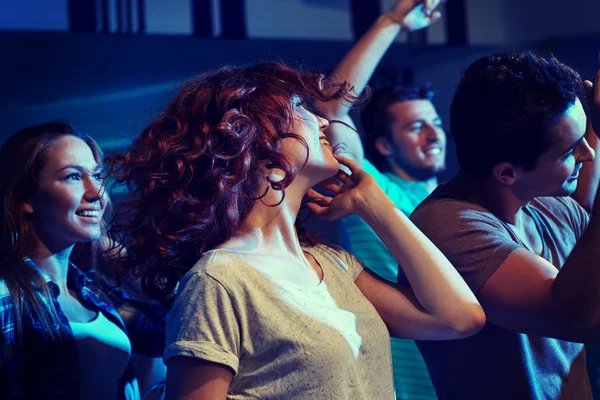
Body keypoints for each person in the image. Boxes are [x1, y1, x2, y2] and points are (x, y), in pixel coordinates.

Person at [106, 61, 485, 399]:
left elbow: (460, 318)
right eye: (300, 108)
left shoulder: (335, 266)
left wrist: (376, 205)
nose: (322, 121)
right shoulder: (219, 280)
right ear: (255, 143)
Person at [409, 52, 600, 399]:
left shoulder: (554, 207)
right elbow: (576, 317)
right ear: (507, 173)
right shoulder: (446, 228)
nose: (588, 154)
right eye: (569, 150)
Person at [319, 1, 445, 398]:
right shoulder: (370, 188)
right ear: (384, 146)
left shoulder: (461, 203)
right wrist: (392, 21)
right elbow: (332, 103)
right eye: (415, 126)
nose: (432, 135)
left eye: (435, 123)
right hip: (401, 382)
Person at [0, 122, 140, 399]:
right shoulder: (5, 297)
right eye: (73, 177)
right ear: (27, 198)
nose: (96, 192)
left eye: (97, 176)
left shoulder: (94, 294)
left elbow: (169, 318)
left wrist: (101, 243)